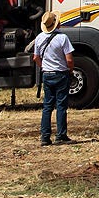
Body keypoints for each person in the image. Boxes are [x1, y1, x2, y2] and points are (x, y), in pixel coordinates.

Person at [34, 12, 76, 146]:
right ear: (57, 23)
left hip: (47, 74)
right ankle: (61, 135)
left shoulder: (39, 38)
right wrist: (70, 70)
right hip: (61, 73)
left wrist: (44, 67)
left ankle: (45, 137)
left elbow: (35, 57)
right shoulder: (63, 38)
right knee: (61, 105)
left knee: (47, 106)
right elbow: (69, 59)